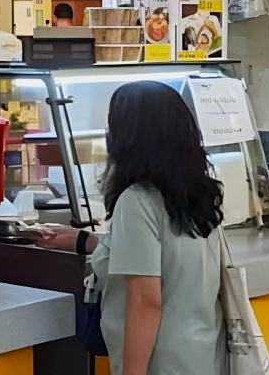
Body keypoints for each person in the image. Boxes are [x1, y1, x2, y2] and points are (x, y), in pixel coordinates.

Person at [35, 82, 226, 375]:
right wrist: (84, 240)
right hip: (204, 358)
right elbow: (164, 257)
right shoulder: (200, 194)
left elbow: (145, 302)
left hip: (162, 363)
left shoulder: (137, 200)